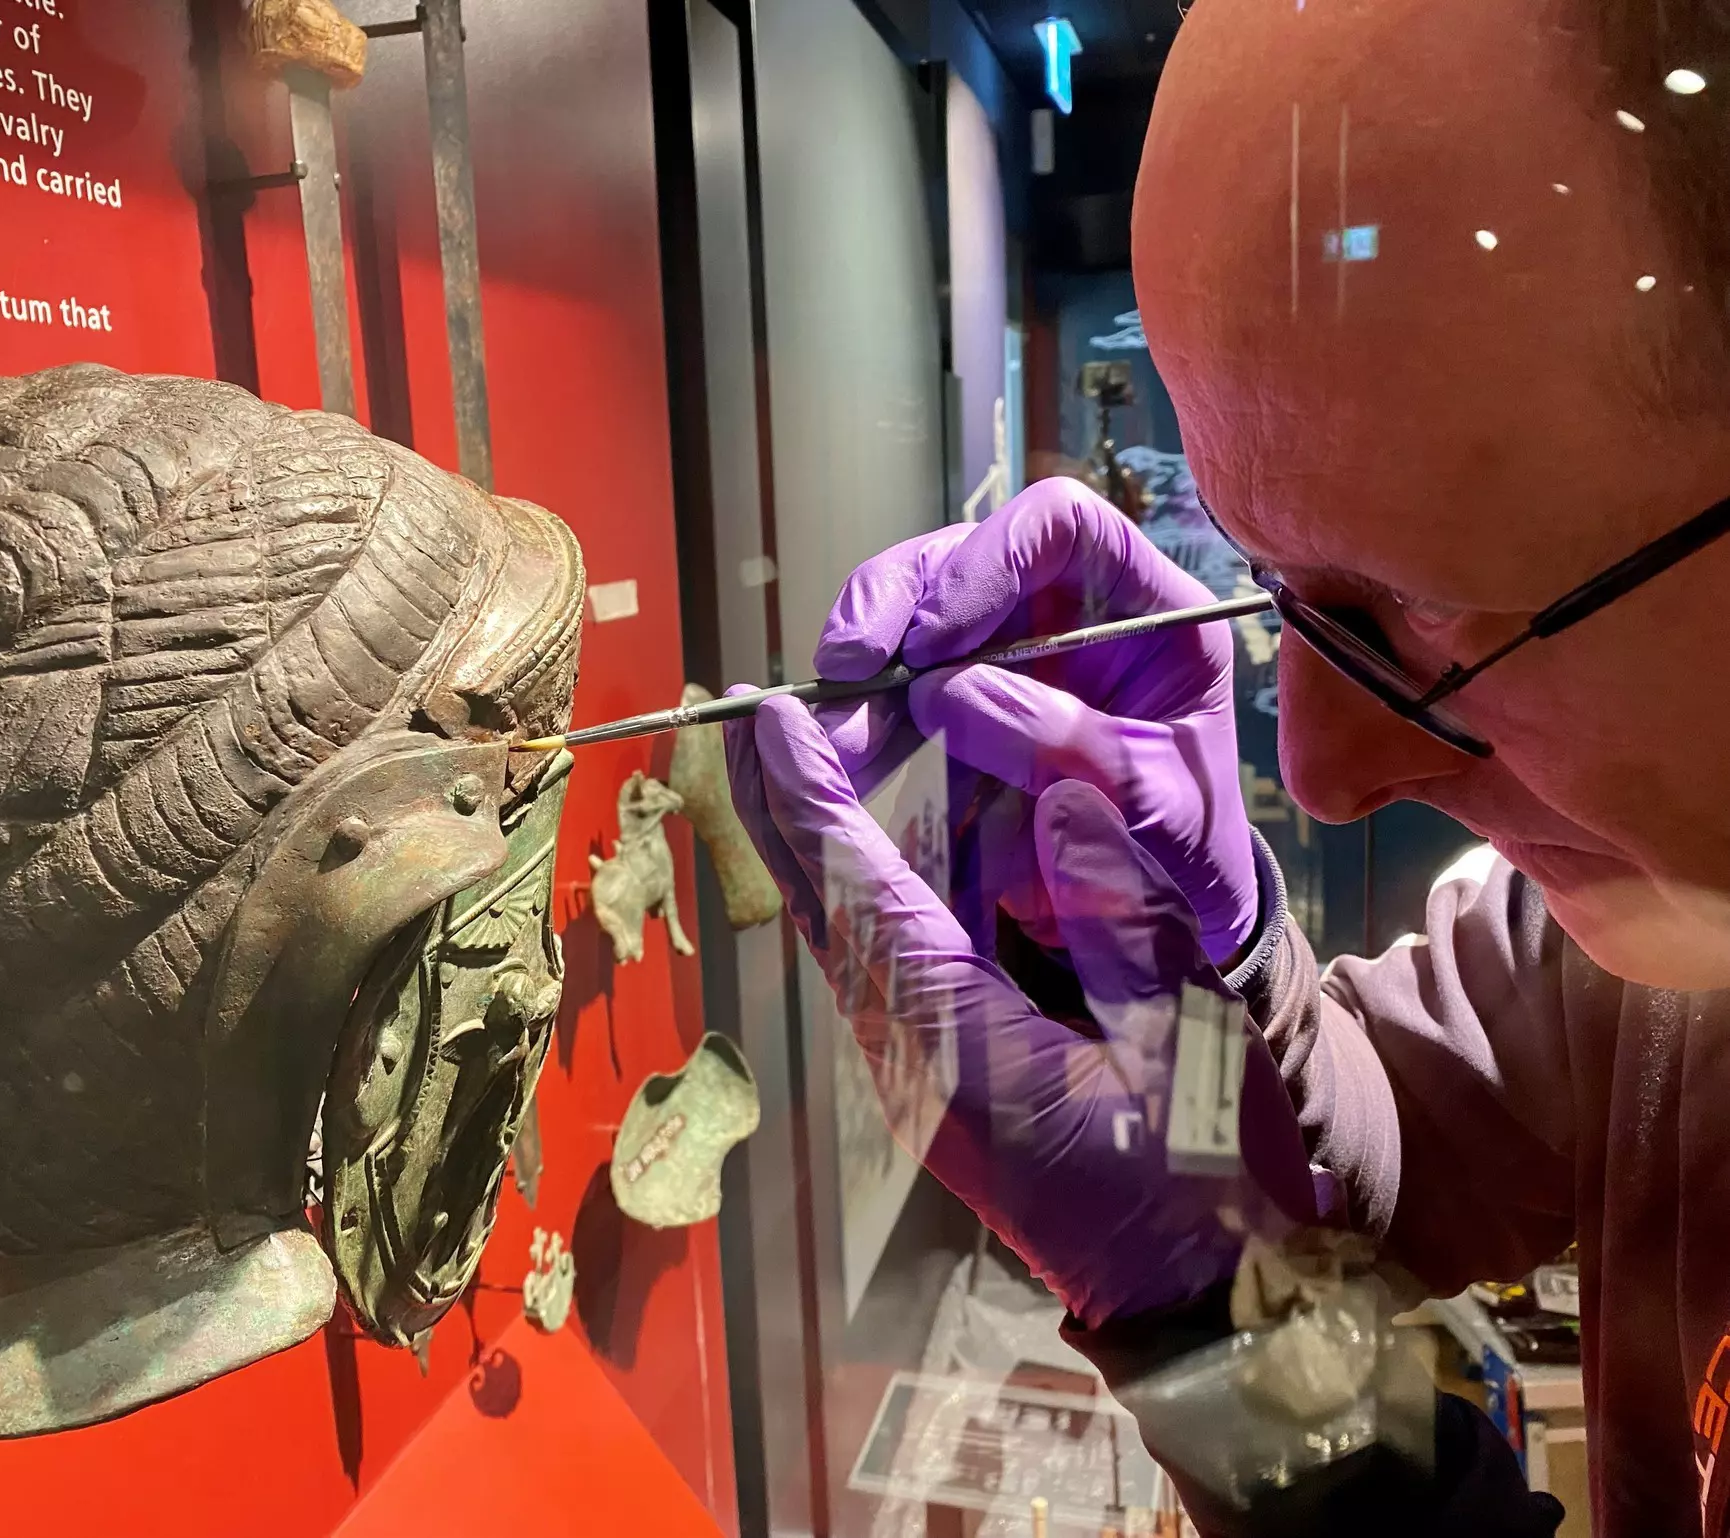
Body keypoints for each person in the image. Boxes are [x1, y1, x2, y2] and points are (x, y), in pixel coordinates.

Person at [726, 0, 1730, 1533]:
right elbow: (1382, 1157)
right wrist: (1212, 1006)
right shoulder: (1643, 944)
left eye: (1424, 605)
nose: (1312, 769)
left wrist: (1215, 1317)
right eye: (1268, 588)